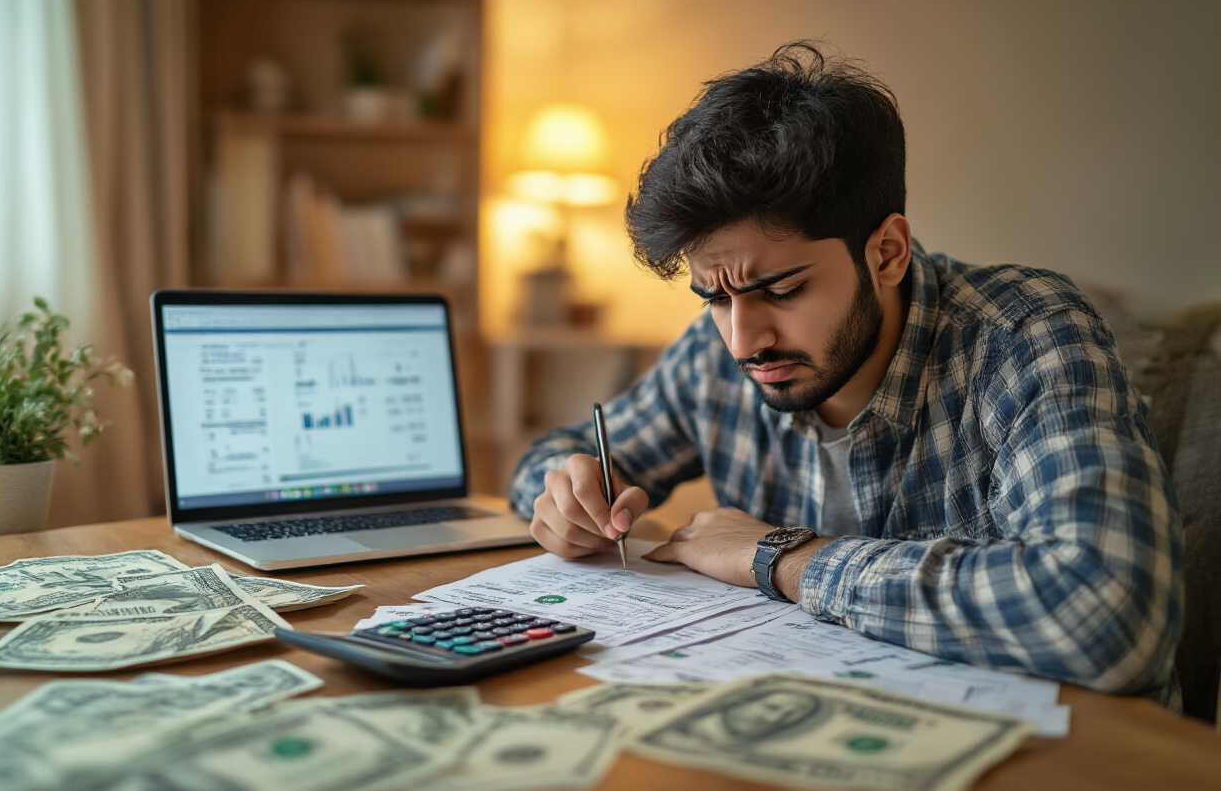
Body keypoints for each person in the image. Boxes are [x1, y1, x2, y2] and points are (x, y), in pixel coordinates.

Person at [507, 41, 1182, 705]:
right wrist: (566, 492)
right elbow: (552, 459)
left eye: (782, 290)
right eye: (714, 297)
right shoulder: (713, 355)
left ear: (886, 252)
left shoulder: (1027, 335)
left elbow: (1108, 614)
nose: (745, 340)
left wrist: (780, 558)